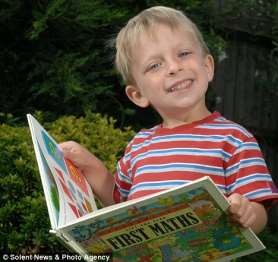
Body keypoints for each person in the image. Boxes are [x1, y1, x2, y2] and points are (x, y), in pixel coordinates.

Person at [60, 6, 278, 234]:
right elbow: (119, 204)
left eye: (183, 53)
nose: (174, 67)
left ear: (207, 67)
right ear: (138, 95)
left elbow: (259, 209)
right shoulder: (139, 145)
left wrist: (248, 213)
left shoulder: (235, 139)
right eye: (155, 65)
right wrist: (88, 164)